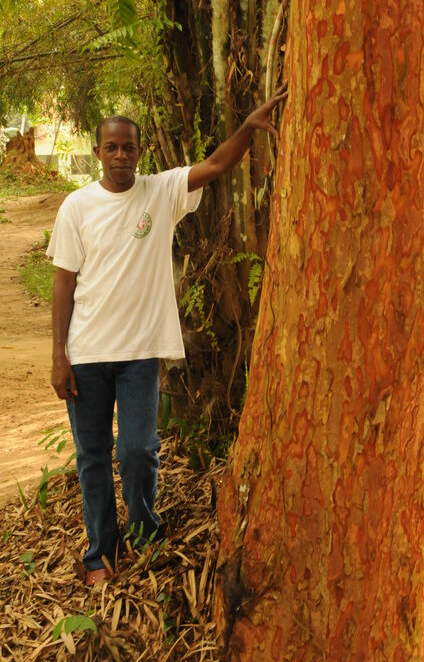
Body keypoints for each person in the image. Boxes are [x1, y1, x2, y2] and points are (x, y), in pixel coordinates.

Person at [47, 84, 287, 586]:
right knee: (93, 456)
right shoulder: (77, 207)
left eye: (128, 147)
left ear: (140, 151)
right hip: (86, 353)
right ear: (98, 152)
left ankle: (144, 533)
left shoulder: (160, 191)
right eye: (111, 147)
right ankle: (100, 553)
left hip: (140, 354)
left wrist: (247, 127)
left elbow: (216, 165)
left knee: (137, 450)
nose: (120, 155)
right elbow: (64, 283)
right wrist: (59, 355)